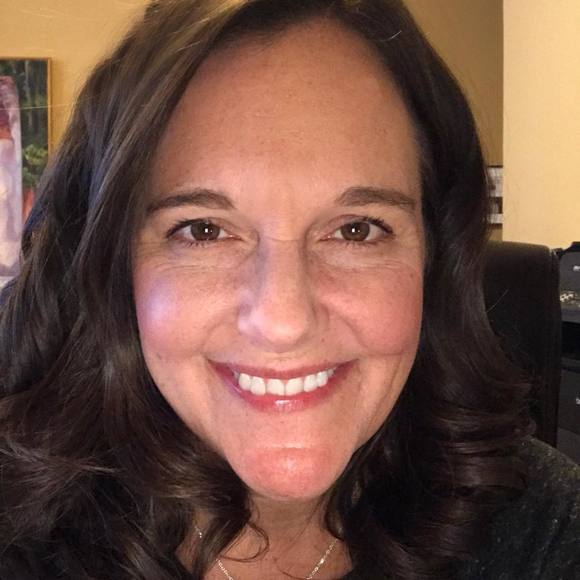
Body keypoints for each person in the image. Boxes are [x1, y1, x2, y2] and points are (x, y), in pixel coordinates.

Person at [0, 1, 578, 579]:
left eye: (356, 230)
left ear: (433, 257)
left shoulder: (544, 528)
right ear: (111, 265)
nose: (284, 321)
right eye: (203, 231)